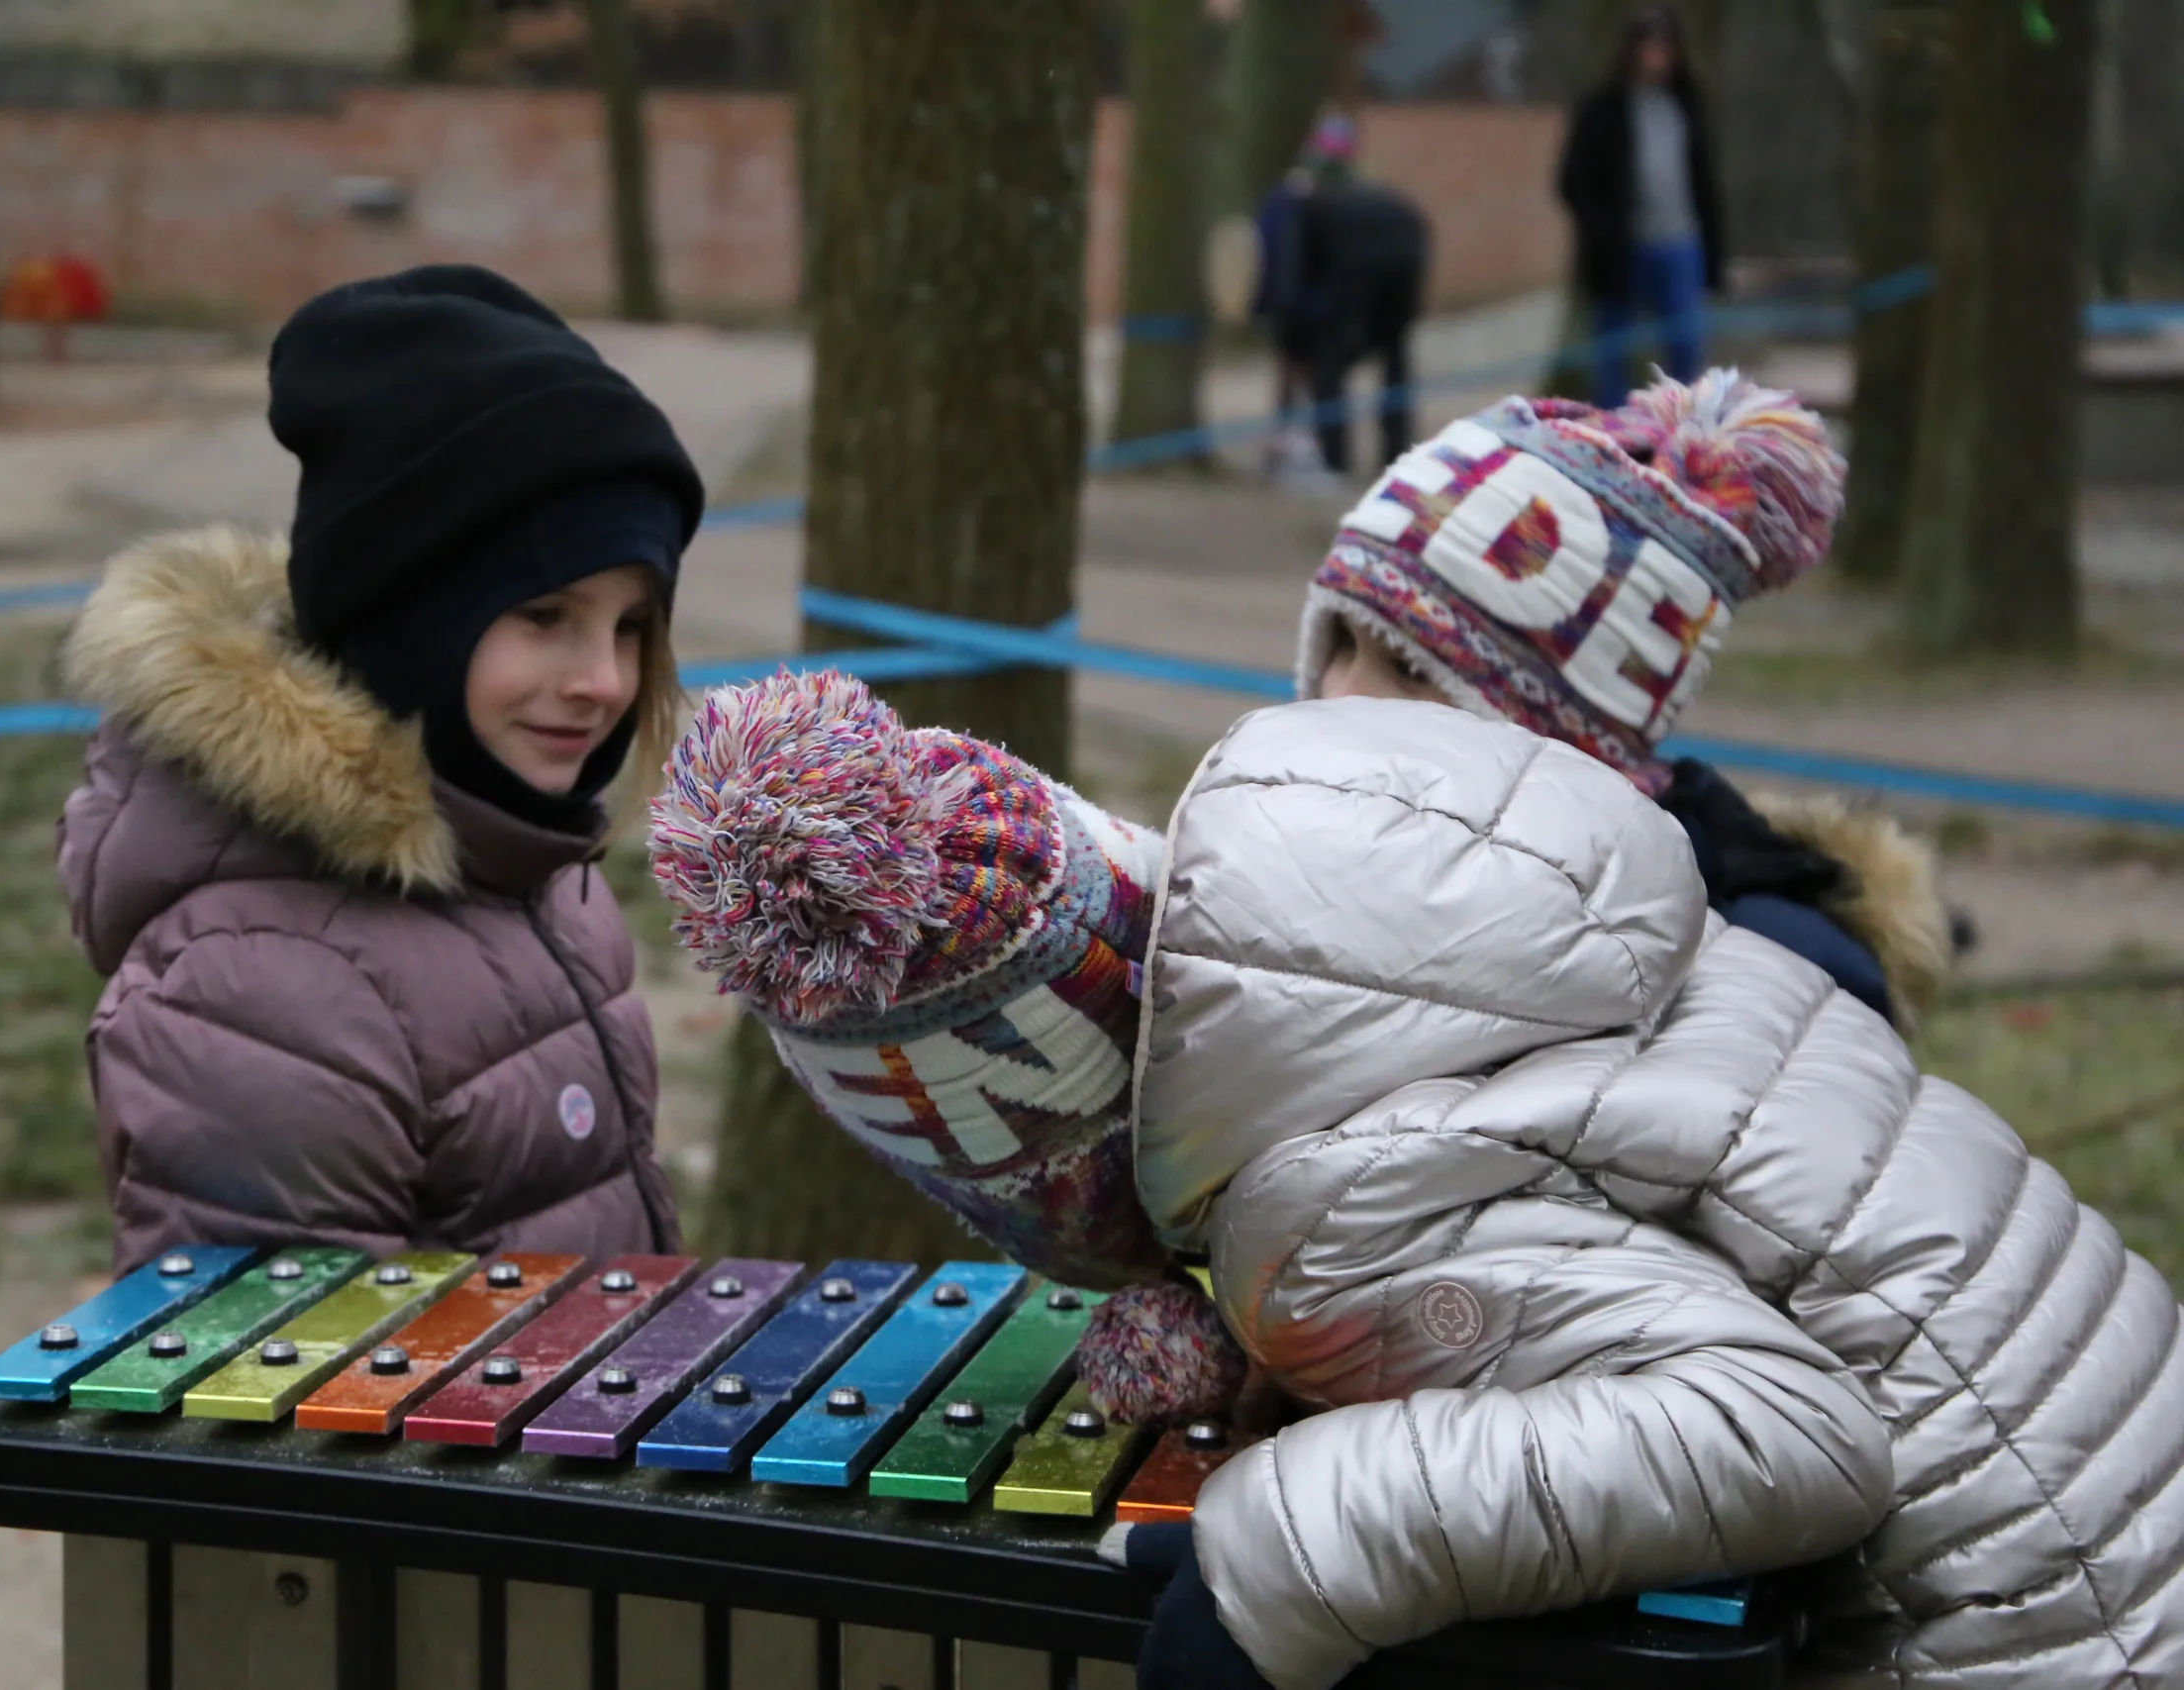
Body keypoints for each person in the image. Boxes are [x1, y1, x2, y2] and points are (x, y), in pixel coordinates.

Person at [646, 372, 2184, 1688]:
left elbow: (1755, 1419)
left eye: (1419, 681)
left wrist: (1291, 1542)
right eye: (1341, 646)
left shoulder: (1731, 959)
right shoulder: (1473, 953)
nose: (1346, 701)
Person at [58, 264, 698, 1275]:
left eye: (630, 626)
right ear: (410, 618)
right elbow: (282, 1367)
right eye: (544, 615)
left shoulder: (529, 863)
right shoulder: (267, 990)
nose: (604, 680)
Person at [1296, 368, 1950, 1028]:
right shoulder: (1299, 876)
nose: (1339, 693)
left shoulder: (1771, 980)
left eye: (1409, 667)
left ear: (1562, 733)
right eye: (1341, 640)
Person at [1556, 7, 1726, 409]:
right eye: (1649, 47)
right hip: (1621, 249)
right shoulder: (1603, 109)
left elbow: (1704, 182)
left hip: (1679, 242)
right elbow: (1572, 180)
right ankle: (1613, 423)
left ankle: (1683, 417)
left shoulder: (1687, 105)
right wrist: (1602, 228)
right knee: (1613, 348)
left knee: (1685, 342)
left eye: (1665, 47)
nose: (1657, 56)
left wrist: (1714, 248)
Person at [1260, 115, 1430, 478]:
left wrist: (1284, 316)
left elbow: (1284, 264)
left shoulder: (1300, 202)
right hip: (1387, 292)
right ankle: (1394, 453)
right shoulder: (1387, 203)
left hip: (1337, 304)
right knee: (1394, 365)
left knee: (1327, 371)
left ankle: (1333, 457)